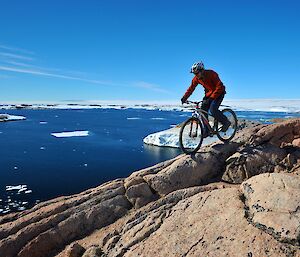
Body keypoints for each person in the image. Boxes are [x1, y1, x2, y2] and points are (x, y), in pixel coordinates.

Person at [181, 61, 231, 137]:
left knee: (213, 109)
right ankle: (207, 131)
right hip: (209, 94)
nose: (196, 75)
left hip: (219, 93)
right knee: (203, 110)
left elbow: (219, 86)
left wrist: (211, 98)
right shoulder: (196, 79)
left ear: (202, 70)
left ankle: (226, 122)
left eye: (197, 73)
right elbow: (191, 88)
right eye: (194, 74)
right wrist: (184, 97)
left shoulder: (211, 73)